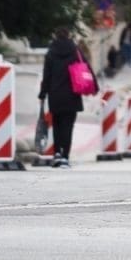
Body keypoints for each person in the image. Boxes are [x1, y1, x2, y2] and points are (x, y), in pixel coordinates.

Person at [37, 28, 96, 167]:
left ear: (55, 36)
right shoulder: (75, 51)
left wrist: (42, 94)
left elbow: (47, 76)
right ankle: (65, 156)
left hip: (55, 95)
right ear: (69, 36)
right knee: (68, 126)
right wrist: (95, 87)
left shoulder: (51, 53)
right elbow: (87, 68)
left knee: (56, 125)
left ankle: (57, 153)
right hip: (72, 95)